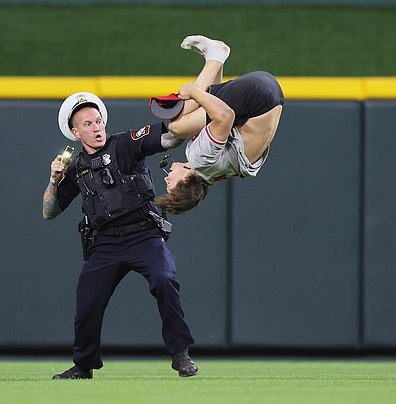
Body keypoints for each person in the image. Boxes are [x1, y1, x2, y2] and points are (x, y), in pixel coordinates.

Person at [43, 91, 198, 379]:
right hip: (105, 243)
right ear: (75, 133)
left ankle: (181, 354)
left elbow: (168, 138)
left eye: (99, 121)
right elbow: (49, 212)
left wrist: (186, 121)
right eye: (88, 124)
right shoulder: (76, 168)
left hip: (144, 234)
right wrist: (54, 180)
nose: (97, 127)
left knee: (165, 280)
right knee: (88, 298)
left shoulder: (125, 144)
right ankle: (84, 365)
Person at [154, 35, 285, 214]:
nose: (166, 180)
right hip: (257, 96)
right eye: (171, 186)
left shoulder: (213, 172)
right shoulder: (200, 160)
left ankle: (215, 59)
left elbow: (217, 110)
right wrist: (192, 90)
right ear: (186, 179)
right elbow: (225, 115)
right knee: (177, 126)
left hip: (271, 94)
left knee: (202, 112)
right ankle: (216, 56)